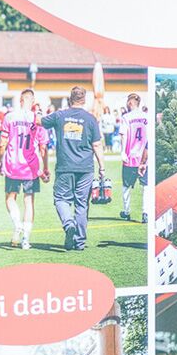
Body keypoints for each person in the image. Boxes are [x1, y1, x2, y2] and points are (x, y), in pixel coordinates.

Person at [44, 86, 104, 252]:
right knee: (82, 204)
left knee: (61, 199)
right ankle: (79, 242)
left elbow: (40, 122)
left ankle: (68, 223)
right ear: (84, 100)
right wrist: (102, 168)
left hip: (65, 167)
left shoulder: (60, 115)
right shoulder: (91, 119)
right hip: (86, 168)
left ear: (70, 99)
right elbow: (97, 145)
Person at [0, 89, 49, 249]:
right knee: (29, 201)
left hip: (13, 164)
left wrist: (0, 161)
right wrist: (45, 169)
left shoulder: (10, 116)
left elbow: (2, 143)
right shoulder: (37, 120)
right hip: (30, 166)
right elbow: (43, 147)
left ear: (20, 100)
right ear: (33, 102)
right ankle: (26, 240)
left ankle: (17, 224)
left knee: (10, 198)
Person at [119, 92, 150, 221]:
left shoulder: (126, 117)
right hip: (144, 156)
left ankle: (126, 211)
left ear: (131, 103)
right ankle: (145, 213)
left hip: (130, 157)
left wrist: (123, 152)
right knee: (145, 186)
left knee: (126, 186)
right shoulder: (146, 117)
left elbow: (123, 135)